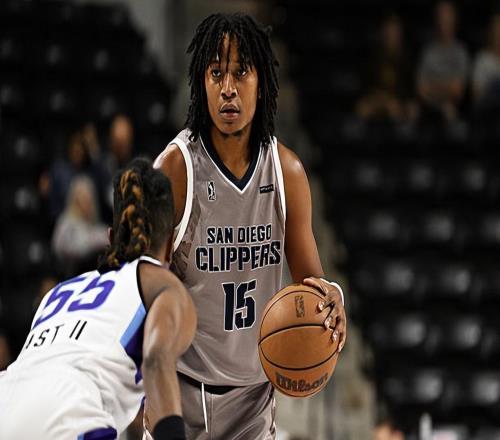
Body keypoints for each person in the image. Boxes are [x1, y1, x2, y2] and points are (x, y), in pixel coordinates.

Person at [152, 13, 347, 440]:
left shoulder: (286, 172)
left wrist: (332, 299)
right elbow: (143, 291)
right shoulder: (176, 170)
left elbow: (313, 284)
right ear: (201, 83)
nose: (228, 88)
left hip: (254, 402)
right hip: (181, 395)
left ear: (262, 83)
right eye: (216, 73)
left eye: (241, 72)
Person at [0, 158, 196, 440]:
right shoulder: (161, 285)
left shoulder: (57, 293)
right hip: (69, 412)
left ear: (111, 237)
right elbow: (156, 360)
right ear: (169, 247)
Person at [356, 14, 417, 123]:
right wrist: (381, 99)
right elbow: (367, 85)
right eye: (388, 31)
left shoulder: (406, 57)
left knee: (406, 108)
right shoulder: (375, 56)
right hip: (378, 98)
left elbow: (409, 88)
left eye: (395, 31)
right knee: (362, 108)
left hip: (398, 100)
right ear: (383, 33)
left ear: (400, 34)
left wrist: (396, 100)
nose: (391, 35)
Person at [417, 0, 469, 123]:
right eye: (441, 17)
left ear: (454, 20)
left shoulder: (461, 52)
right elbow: (421, 90)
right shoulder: (428, 51)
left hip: (453, 108)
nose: (444, 22)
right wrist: (446, 88)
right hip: (429, 107)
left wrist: (433, 87)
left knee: (450, 112)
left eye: (447, 17)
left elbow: (457, 91)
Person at [52, 174, 109, 276]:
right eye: (83, 197)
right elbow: (69, 248)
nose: (87, 202)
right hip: (71, 275)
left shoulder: (94, 224)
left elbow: (106, 237)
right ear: (75, 199)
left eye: (89, 198)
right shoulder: (66, 222)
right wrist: (94, 242)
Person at [472, 14, 500, 110]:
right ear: (491, 32)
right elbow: (476, 94)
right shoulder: (482, 59)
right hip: (489, 109)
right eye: (496, 30)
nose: (498, 35)